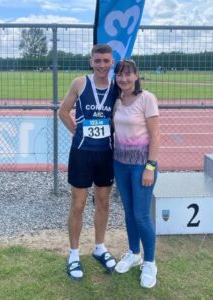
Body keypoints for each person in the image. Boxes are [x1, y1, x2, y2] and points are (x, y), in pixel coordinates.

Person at [58, 44, 117, 281]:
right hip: (82, 153)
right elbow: (63, 111)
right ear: (91, 62)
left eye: (106, 61)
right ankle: (73, 253)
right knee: (79, 204)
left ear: (112, 62)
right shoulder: (80, 83)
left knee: (103, 203)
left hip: (106, 154)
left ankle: (99, 247)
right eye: (98, 61)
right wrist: (77, 131)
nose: (102, 65)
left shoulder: (117, 87)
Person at [112, 59, 160, 288]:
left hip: (142, 166)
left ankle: (150, 262)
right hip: (120, 164)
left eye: (128, 74)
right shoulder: (117, 100)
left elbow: (155, 136)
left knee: (141, 215)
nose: (124, 78)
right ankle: (134, 253)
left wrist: (150, 166)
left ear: (136, 75)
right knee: (129, 212)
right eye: (120, 74)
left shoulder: (146, 98)